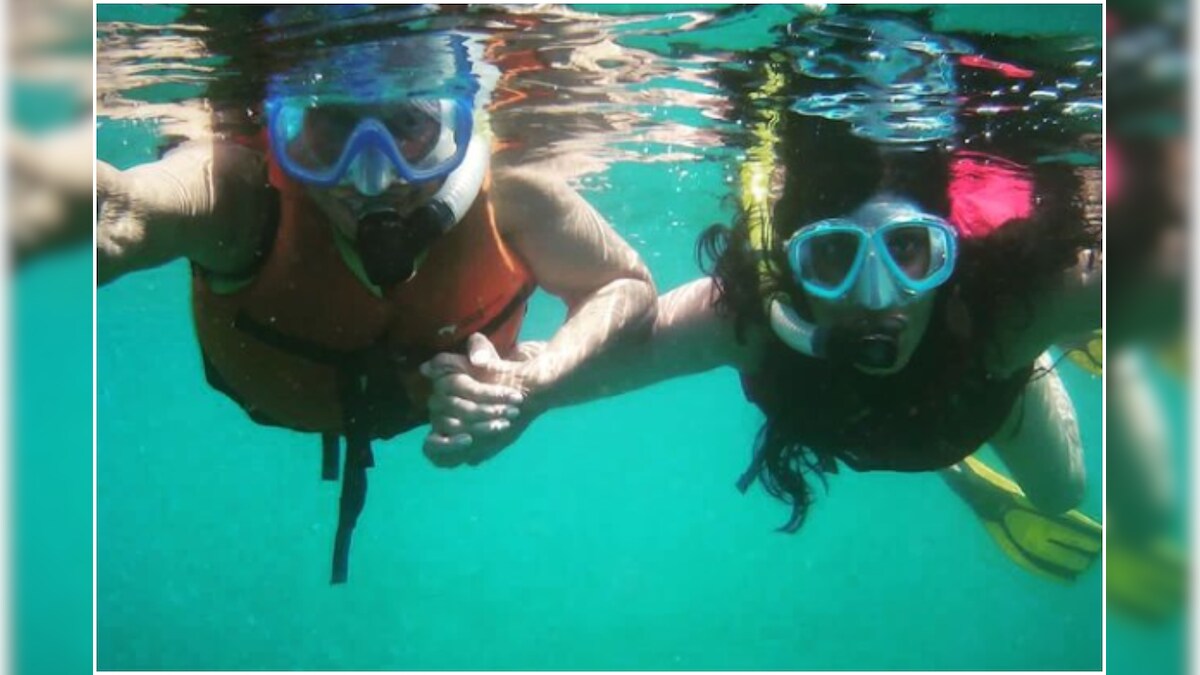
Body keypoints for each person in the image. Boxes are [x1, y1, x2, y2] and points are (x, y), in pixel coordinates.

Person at [421, 15, 1106, 584]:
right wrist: (521, 386)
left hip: (982, 384)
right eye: (833, 256)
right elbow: (616, 351)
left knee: (1063, 492)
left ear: (945, 253)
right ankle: (957, 456)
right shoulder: (750, 318)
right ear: (792, 263)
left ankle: (1041, 368)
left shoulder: (1008, 308)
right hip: (934, 413)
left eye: (908, 250)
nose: (877, 297)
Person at [96, 28, 656, 583]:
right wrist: (104, 219)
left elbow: (626, 284)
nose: (372, 176)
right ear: (285, 133)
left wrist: (533, 381)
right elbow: (132, 210)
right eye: (331, 126)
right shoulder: (244, 196)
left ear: (455, 127)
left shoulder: (512, 198)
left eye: (409, 125)